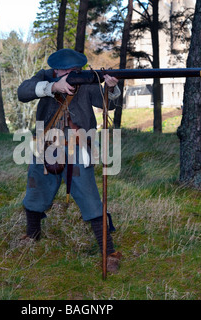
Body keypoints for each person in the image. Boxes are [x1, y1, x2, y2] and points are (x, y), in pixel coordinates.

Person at [17, 48, 122, 273]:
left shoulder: (88, 81)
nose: (68, 73)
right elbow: (23, 92)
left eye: (73, 70)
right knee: (36, 193)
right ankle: (32, 235)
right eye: (64, 70)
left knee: (91, 200)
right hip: (45, 146)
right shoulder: (44, 77)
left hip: (79, 147)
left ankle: (108, 251)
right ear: (55, 69)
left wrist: (111, 88)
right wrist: (52, 87)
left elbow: (108, 105)